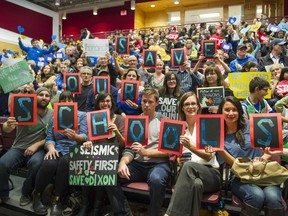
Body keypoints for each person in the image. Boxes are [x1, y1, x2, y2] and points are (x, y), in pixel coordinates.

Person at [208, 96, 284, 215]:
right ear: (220, 112)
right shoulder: (217, 135)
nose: (231, 113)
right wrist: (220, 150)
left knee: (273, 197)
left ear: (239, 111)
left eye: (234, 109)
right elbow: (232, 164)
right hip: (240, 177)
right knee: (256, 196)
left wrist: (261, 160)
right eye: (227, 110)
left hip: (265, 173)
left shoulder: (252, 124)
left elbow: (272, 147)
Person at [106, 87, 170, 216]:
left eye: (150, 102)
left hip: (158, 164)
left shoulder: (164, 120)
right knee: (109, 176)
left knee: (156, 180)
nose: (146, 105)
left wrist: (146, 152)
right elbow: (129, 149)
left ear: (157, 103)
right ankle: (123, 213)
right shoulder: (135, 121)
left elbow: (169, 151)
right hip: (138, 165)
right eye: (144, 101)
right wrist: (123, 162)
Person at [164, 92, 222, 216]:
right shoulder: (179, 128)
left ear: (198, 107)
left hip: (211, 174)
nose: (190, 107)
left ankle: (170, 214)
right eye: (187, 104)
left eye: (193, 103)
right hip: (189, 175)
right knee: (196, 184)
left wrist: (190, 146)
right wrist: (179, 159)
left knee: (189, 166)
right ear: (182, 108)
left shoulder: (208, 125)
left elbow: (208, 156)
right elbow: (177, 154)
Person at [32, 91, 87, 216]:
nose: (66, 103)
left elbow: (85, 137)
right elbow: (50, 138)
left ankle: (57, 200)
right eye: (63, 100)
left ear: (74, 103)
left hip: (74, 150)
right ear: (60, 103)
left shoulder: (82, 115)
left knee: (65, 162)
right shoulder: (55, 117)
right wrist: (51, 148)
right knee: (49, 163)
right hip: (57, 149)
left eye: (69, 100)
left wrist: (75, 136)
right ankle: (37, 195)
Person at [0, 87, 53, 206]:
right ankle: (2, 194)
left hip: (38, 149)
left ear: (50, 99)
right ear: (35, 96)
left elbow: (52, 136)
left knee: (36, 163)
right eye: (41, 95)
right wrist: (8, 124)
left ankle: (26, 193)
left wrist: (36, 145)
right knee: (2, 164)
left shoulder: (52, 113)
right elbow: (7, 128)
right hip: (19, 147)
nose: (44, 97)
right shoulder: (23, 107)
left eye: (47, 95)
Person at [77, 91, 125, 216]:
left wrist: (117, 132)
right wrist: (88, 143)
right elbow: (91, 139)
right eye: (102, 101)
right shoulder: (94, 118)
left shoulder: (120, 119)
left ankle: (97, 207)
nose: (105, 103)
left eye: (108, 101)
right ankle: (86, 203)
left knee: (101, 167)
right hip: (97, 153)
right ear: (98, 104)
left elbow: (125, 143)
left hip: (113, 156)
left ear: (112, 103)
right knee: (85, 164)